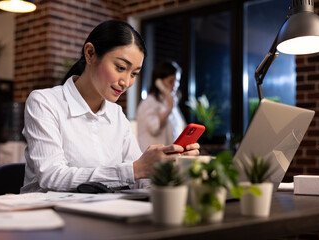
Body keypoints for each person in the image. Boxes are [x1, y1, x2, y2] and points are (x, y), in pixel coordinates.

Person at [21, 20, 200, 193]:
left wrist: (169, 166)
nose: (126, 82)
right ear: (90, 54)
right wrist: (135, 170)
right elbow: (52, 176)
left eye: (134, 73)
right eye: (121, 67)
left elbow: (140, 181)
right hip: (48, 215)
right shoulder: (44, 102)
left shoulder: (116, 114)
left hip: (101, 214)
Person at [136, 61, 186, 152]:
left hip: (169, 158)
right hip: (153, 160)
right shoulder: (148, 103)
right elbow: (154, 129)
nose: (175, 85)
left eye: (177, 81)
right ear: (158, 82)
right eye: (171, 81)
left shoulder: (171, 103)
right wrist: (169, 109)